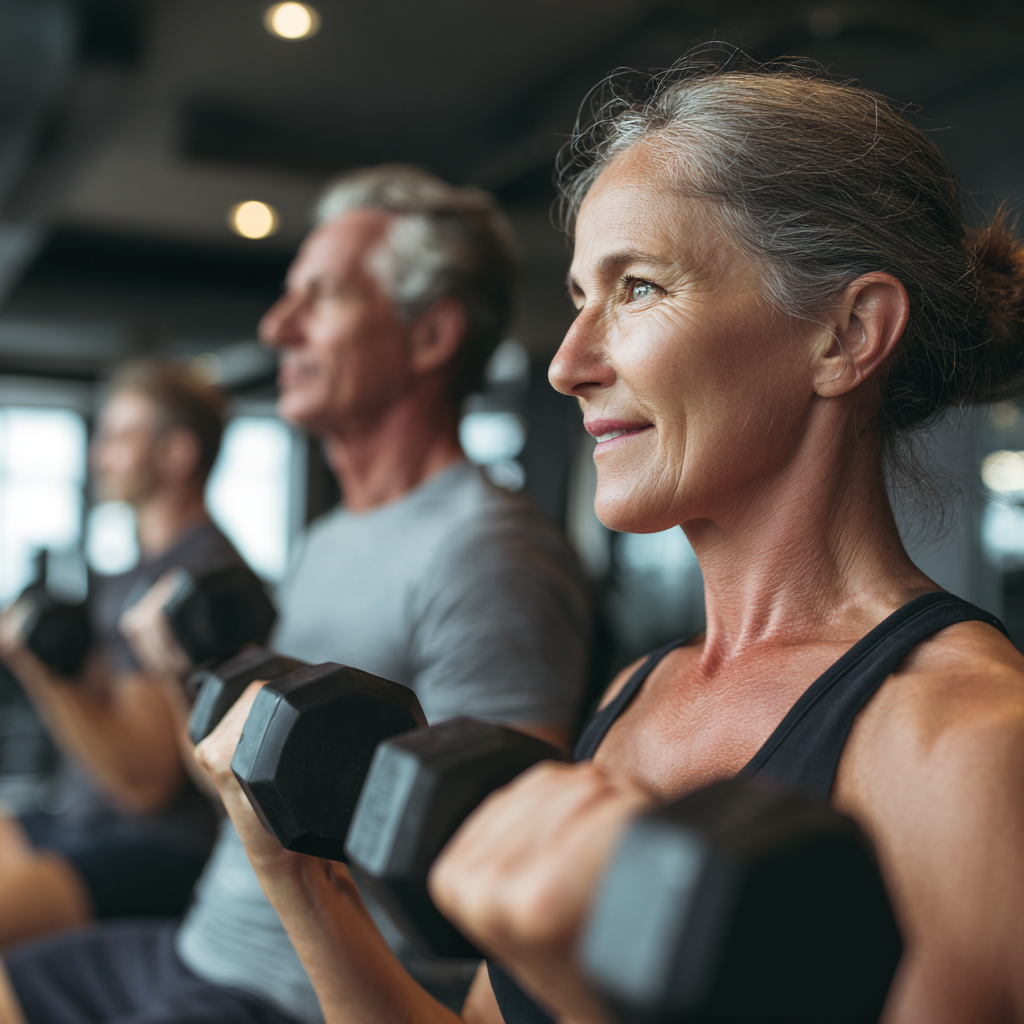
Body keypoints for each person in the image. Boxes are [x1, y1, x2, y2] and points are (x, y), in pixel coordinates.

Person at [188, 52, 1024, 1024]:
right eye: (581, 297)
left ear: (845, 334)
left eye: (636, 289)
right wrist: (296, 874)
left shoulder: (969, 751)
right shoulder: (637, 692)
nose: (565, 363)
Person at [0, 165, 590, 1024]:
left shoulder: (488, 553)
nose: (278, 325)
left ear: (431, 337)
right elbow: (232, 788)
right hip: (196, 944)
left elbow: (479, 887)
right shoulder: (322, 541)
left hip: (283, 993)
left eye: (322, 296)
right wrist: (182, 682)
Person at [0, 362, 234, 949]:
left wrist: (38, 667)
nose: (100, 455)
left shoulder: (193, 578)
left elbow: (143, 782)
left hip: (154, 848)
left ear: (178, 453)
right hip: (85, 821)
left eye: (120, 438)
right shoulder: (136, 570)